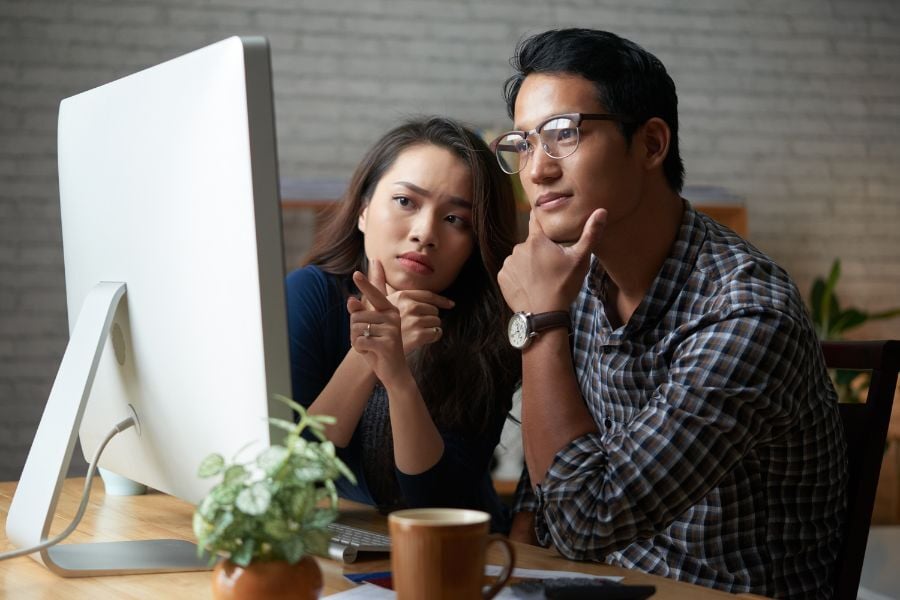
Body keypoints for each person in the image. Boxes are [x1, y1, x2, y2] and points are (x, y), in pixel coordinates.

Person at [492, 28, 846, 597]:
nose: (538, 170)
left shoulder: (746, 311)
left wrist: (538, 325)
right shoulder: (577, 278)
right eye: (525, 144)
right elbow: (553, 475)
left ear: (652, 144)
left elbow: (588, 520)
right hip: (604, 584)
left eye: (563, 134)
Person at [285, 116, 520, 532]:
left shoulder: (486, 327)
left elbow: (437, 503)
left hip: (467, 554)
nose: (424, 233)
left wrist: (397, 378)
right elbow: (289, 473)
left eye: (455, 220)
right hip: (353, 545)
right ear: (362, 211)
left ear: (475, 241)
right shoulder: (311, 295)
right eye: (405, 202)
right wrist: (366, 355)